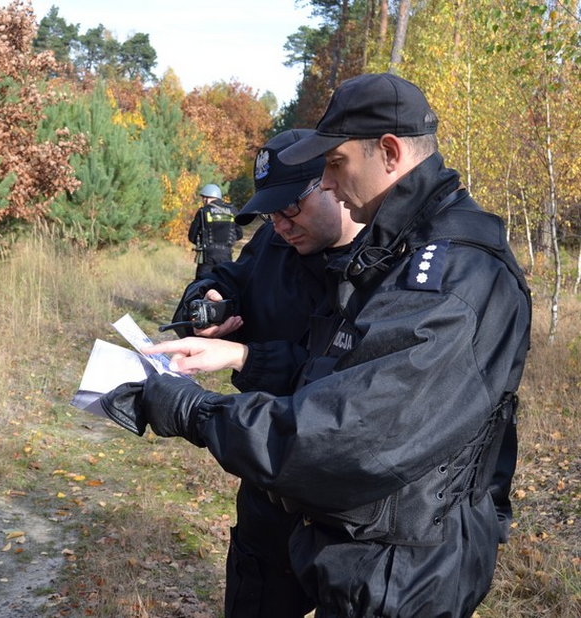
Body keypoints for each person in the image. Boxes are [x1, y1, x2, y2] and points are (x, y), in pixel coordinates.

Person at [101, 73, 531, 617]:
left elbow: (350, 431)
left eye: (335, 164)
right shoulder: (391, 246)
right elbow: (330, 367)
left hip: (406, 568)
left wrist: (196, 410)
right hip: (350, 540)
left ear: (390, 153)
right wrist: (222, 322)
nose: (328, 183)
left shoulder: (449, 274)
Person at [171, 129, 363, 617]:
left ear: (333, 183)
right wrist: (208, 299)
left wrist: (244, 358)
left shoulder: (384, 266)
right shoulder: (274, 242)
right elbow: (230, 275)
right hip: (267, 490)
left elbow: (345, 390)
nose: (280, 224)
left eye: (290, 208)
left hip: (348, 514)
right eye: (270, 212)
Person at [189, 183, 243, 278]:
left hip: (207, 256)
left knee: (202, 285)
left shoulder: (203, 211)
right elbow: (240, 234)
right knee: (225, 285)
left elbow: (191, 236)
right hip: (226, 254)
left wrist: (200, 242)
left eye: (203, 198)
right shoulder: (232, 211)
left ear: (207, 198)